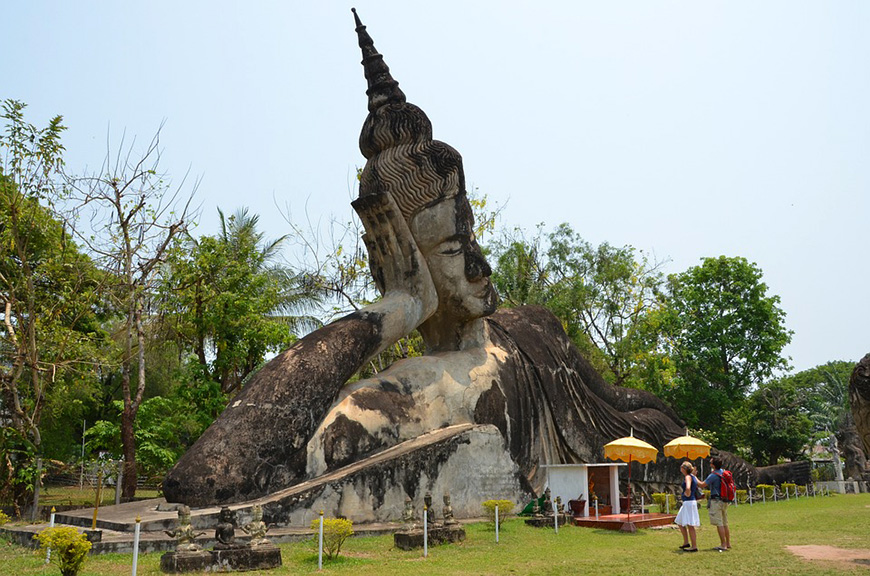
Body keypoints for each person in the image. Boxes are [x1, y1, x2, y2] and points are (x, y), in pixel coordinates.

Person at [698, 456, 731, 551]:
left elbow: (702, 485)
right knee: (725, 522)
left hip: (716, 501)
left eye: (711, 462)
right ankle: (728, 543)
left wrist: (694, 477)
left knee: (719, 523)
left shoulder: (713, 475)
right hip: (725, 500)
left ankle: (723, 545)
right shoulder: (724, 473)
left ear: (713, 465)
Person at [674, 461, 700, 552]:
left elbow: (688, 487)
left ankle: (694, 546)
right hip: (688, 502)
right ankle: (686, 542)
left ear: (684, 468)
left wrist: (687, 493)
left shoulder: (688, 477)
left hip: (688, 502)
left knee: (690, 525)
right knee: (679, 521)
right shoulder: (692, 476)